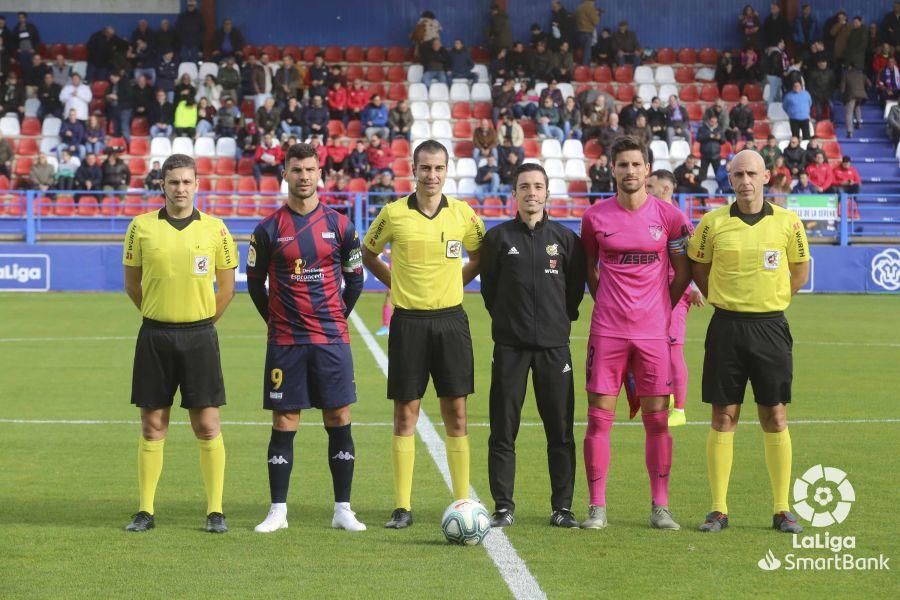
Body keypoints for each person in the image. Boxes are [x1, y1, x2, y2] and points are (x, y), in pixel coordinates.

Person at [361, 140, 485, 529]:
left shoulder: (464, 214)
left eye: (438, 168)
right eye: (425, 168)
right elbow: (368, 253)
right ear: (413, 169)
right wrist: (395, 282)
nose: (432, 176)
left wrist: (457, 282)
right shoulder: (393, 213)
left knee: (457, 413)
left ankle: (462, 499)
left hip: (451, 321)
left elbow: (481, 254)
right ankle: (402, 506)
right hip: (409, 323)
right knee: (405, 413)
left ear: (447, 171)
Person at [245, 142, 365, 533]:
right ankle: (278, 510)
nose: (304, 176)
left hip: (330, 340)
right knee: (285, 420)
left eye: (311, 170)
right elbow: (253, 283)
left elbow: (356, 279)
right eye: (296, 170)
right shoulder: (267, 230)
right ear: (286, 173)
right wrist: (277, 321)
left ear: (321, 175)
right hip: (286, 342)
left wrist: (335, 318)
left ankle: (343, 509)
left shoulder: (341, 226)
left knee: (339, 416)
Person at [688, 149, 809, 535]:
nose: (744, 181)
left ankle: (781, 509)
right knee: (724, 416)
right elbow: (699, 266)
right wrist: (728, 299)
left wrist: (768, 301)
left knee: (774, 415)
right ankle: (718, 510)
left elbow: (800, 270)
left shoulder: (789, 223)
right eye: (737, 174)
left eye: (751, 173)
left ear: (766, 176)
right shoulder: (712, 223)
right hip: (726, 328)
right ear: (729, 178)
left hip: (771, 328)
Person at [579, 136, 692, 531]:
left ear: (648, 169)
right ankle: (597, 507)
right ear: (612, 169)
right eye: (622, 165)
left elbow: (683, 270)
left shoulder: (670, 217)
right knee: (598, 420)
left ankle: (660, 507)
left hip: (652, 334)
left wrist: (660, 307)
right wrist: (607, 303)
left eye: (636, 165)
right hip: (607, 331)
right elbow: (591, 269)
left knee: (658, 422)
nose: (630, 171)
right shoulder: (594, 217)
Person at [122, 153, 237, 533]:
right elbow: (132, 284)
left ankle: (215, 511)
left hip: (200, 336)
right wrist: (160, 314)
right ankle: (145, 510)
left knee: (206, 424)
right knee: (153, 424)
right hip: (154, 336)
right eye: (174, 182)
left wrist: (200, 320)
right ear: (163, 186)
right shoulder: (140, 228)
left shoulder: (216, 230)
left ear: (197, 185)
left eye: (187, 182)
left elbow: (227, 288)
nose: (181, 188)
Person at [480, 163, 586, 529]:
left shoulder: (566, 239)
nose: (531, 193)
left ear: (547, 193)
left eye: (537, 186)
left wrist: (557, 322)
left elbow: (574, 293)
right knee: (503, 430)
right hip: (510, 348)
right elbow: (489, 292)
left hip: (555, 349)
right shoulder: (497, 239)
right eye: (524, 186)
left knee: (560, 430)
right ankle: (503, 506)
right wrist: (512, 324)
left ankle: (562, 508)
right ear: (514, 194)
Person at [647, 170, 705, 427]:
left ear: (666, 189)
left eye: (651, 185)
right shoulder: (649, 215)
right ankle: (667, 396)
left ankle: (679, 410)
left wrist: (694, 286)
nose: (645, 188)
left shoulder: (677, 218)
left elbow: (693, 257)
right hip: (651, 295)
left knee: (673, 351)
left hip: (675, 293)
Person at [574, 0, 600, 66]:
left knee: (580, 51)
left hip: (578, 32)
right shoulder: (590, 8)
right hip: (587, 33)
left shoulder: (579, 8)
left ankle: (579, 67)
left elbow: (574, 19)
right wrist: (597, 14)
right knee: (587, 53)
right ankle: (585, 69)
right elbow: (596, 21)